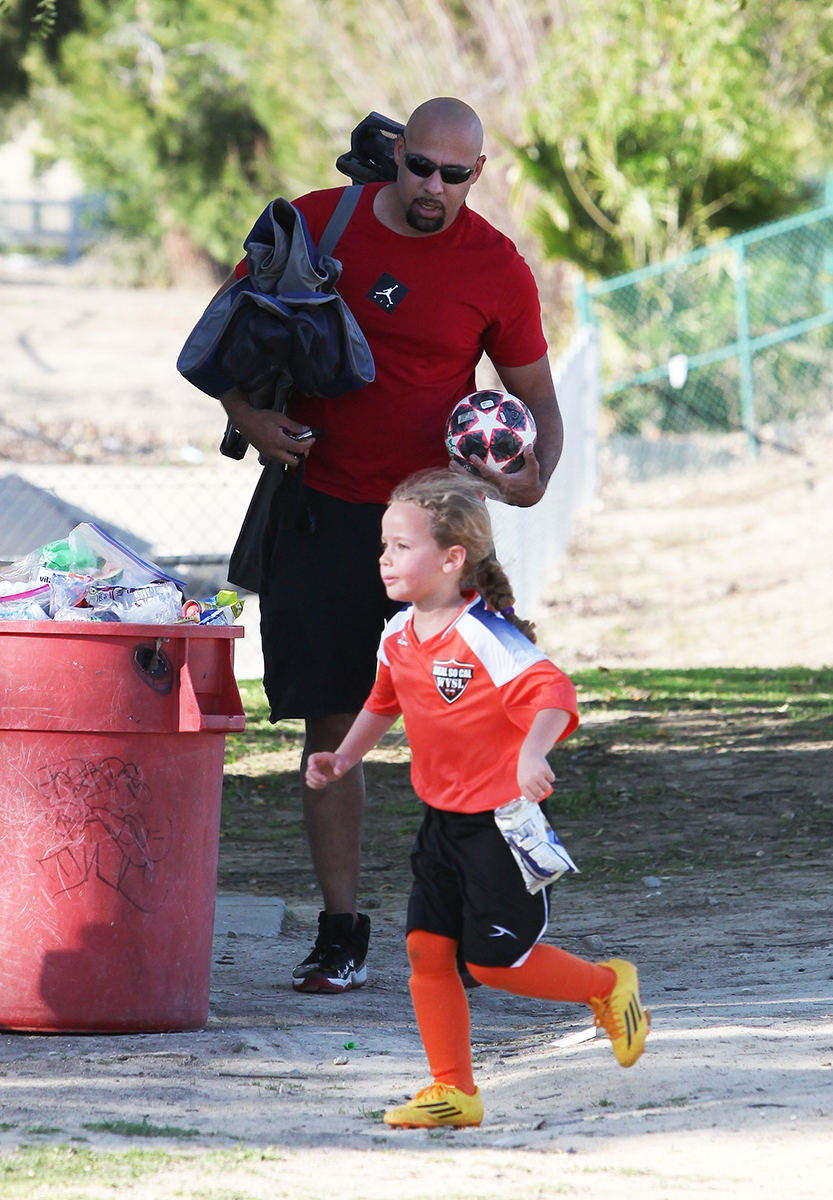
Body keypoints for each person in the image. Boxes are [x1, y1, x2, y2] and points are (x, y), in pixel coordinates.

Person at [214, 97, 564, 994]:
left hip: (436, 526)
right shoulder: (318, 222)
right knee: (333, 726)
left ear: (475, 177)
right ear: (393, 156)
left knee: (471, 731)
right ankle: (341, 931)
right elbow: (225, 337)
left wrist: (529, 479)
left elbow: (539, 404)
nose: (431, 188)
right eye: (418, 167)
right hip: (324, 513)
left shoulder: (495, 267)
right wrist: (250, 416)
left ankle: (484, 923)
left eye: (453, 175)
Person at [306, 471, 649, 1128]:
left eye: (400, 546)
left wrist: (531, 752)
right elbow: (383, 700)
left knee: (493, 965)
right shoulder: (397, 634)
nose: (383, 558)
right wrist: (345, 756)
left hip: (500, 824)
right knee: (427, 954)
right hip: (442, 824)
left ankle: (607, 985)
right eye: (383, 545)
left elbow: (553, 693)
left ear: (452, 557)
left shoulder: (484, 634)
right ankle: (453, 1090)